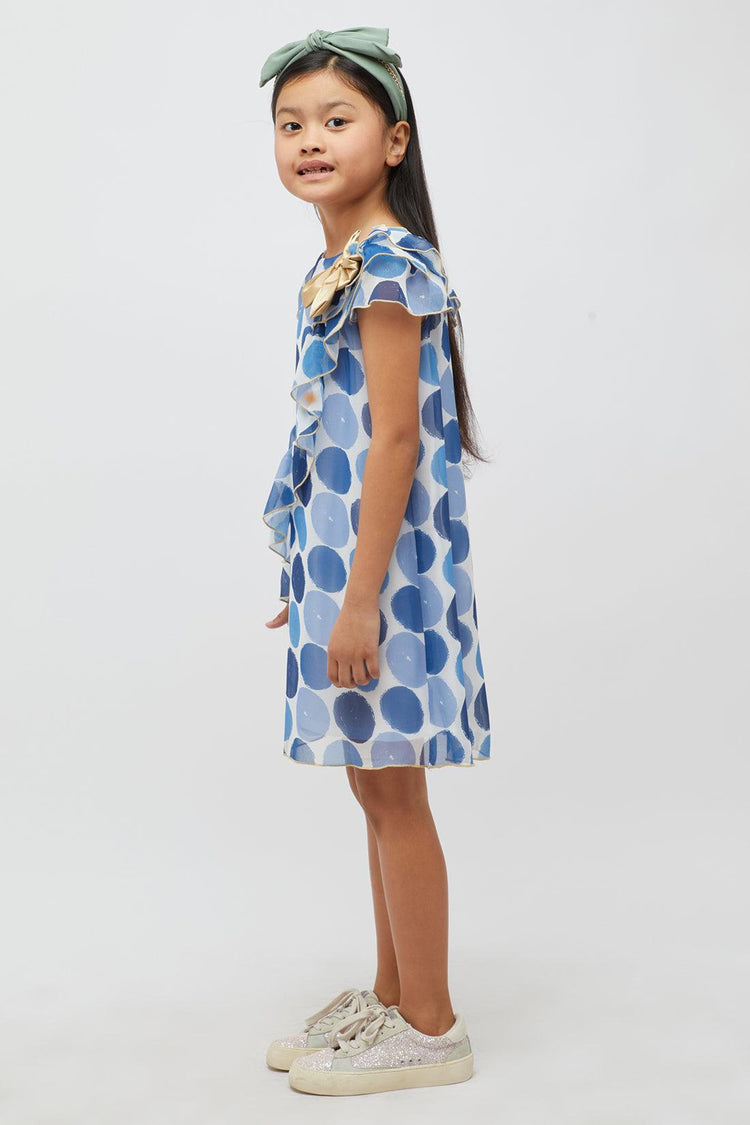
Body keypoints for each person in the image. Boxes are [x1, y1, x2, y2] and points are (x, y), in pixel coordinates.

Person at [258, 26, 493, 1096]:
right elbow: (337, 438)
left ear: (395, 140)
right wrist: (310, 575)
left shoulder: (390, 263)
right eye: (291, 124)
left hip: (384, 579)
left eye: (336, 120)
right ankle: (395, 995)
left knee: (395, 795)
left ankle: (432, 1026)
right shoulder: (339, 264)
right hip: (349, 565)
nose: (310, 140)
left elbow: (395, 441)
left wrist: (359, 601)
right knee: (374, 785)